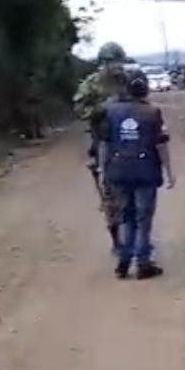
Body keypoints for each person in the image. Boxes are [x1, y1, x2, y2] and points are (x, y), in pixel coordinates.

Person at [97, 70, 176, 279]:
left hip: (118, 171)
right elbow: (161, 146)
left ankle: (123, 262)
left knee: (126, 217)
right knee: (143, 219)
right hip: (145, 173)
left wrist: (103, 170)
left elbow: (104, 143)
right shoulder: (152, 112)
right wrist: (169, 172)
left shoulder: (110, 111)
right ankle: (143, 263)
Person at [74, 42, 130, 246]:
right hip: (104, 140)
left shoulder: (127, 80)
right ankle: (116, 236)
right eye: (112, 61)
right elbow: (80, 110)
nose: (117, 66)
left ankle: (135, 231)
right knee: (109, 190)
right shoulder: (91, 84)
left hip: (128, 139)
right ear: (104, 63)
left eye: (119, 61)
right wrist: (101, 109)